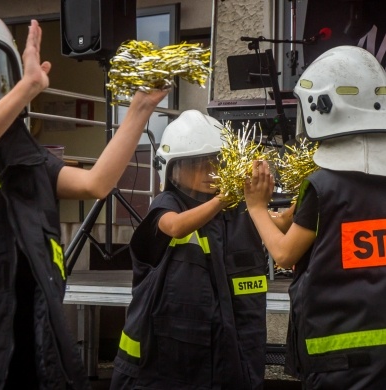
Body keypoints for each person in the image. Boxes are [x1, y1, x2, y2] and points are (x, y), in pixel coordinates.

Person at [0, 17, 168, 389]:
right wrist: (27, 89)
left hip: (31, 360)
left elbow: (97, 182)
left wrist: (140, 109)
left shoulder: (25, 161)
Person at [109, 109, 293, 390]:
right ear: (173, 170)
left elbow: (277, 225)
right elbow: (175, 227)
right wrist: (224, 197)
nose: (209, 172)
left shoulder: (238, 209)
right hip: (166, 371)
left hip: (231, 364)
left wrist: (308, 195)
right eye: (197, 164)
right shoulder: (168, 203)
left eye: (217, 162)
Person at [244, 45, 386, 389]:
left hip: (337, 359)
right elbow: (301, 225)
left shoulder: (324, 186)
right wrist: (277, 219)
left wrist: (256, 207)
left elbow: (284, 253)